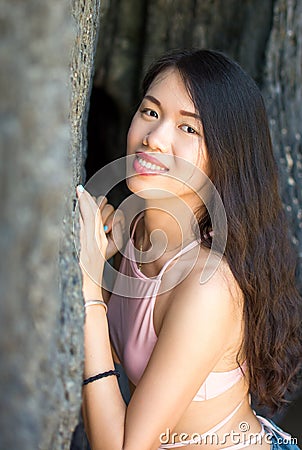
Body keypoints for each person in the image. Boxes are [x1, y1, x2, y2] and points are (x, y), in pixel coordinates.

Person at [76, 49, 302, 450]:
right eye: (150, 112)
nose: (156, 138)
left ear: (224, 158)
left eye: (189, 129)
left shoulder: (208, 287)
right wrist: (107, 273)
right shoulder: (139, 234)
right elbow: (110, 358)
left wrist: (91, 286)